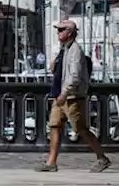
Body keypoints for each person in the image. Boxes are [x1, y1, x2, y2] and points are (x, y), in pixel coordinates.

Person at [36, 19, 111, 173]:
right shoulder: (64, 49)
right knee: (54, 126)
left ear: (69, 33)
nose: (58, 32)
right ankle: (51, 163)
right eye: (58, 29)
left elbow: (75, 77)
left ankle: (102, 158)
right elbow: (61, 72)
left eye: (61, 30)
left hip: (71, 97)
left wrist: (64, 93)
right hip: (60, 96)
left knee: (81, 129)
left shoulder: (75, 50)